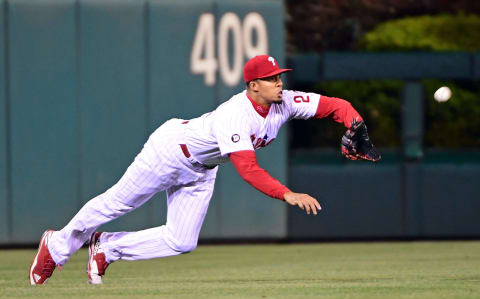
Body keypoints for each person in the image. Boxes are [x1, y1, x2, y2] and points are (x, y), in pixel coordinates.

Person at [29, 54, 380, 285]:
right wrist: (287, 194)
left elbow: (335, 105)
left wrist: (355, 121)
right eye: (272, 79)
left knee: (182, 241)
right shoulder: (235, 114)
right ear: (252, 85)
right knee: (115, 204)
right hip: (169, 152)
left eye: (279, 77)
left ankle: (108, 248)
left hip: (202, 169)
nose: (279, 83)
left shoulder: (284, 102)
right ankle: (57, 244)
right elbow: (248, 169)